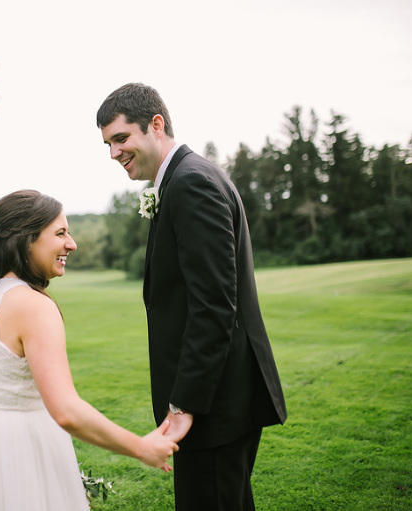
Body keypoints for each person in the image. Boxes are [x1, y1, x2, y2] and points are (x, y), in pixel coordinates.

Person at [0, 189, 178, 511]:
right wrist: (140, 447)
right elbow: (66, 410)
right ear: (27, 239)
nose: (72, 244)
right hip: (22, 451)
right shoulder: (33, 306)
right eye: (60, 233)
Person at [96, 83, 288, 510]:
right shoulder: (187, 177)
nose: (113, 153)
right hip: (220, 399)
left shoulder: (190, 183)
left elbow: (214, 305)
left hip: (214, 405)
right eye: (107, 144)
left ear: (156, 124)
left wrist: (184, 404)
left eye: (121, 138)